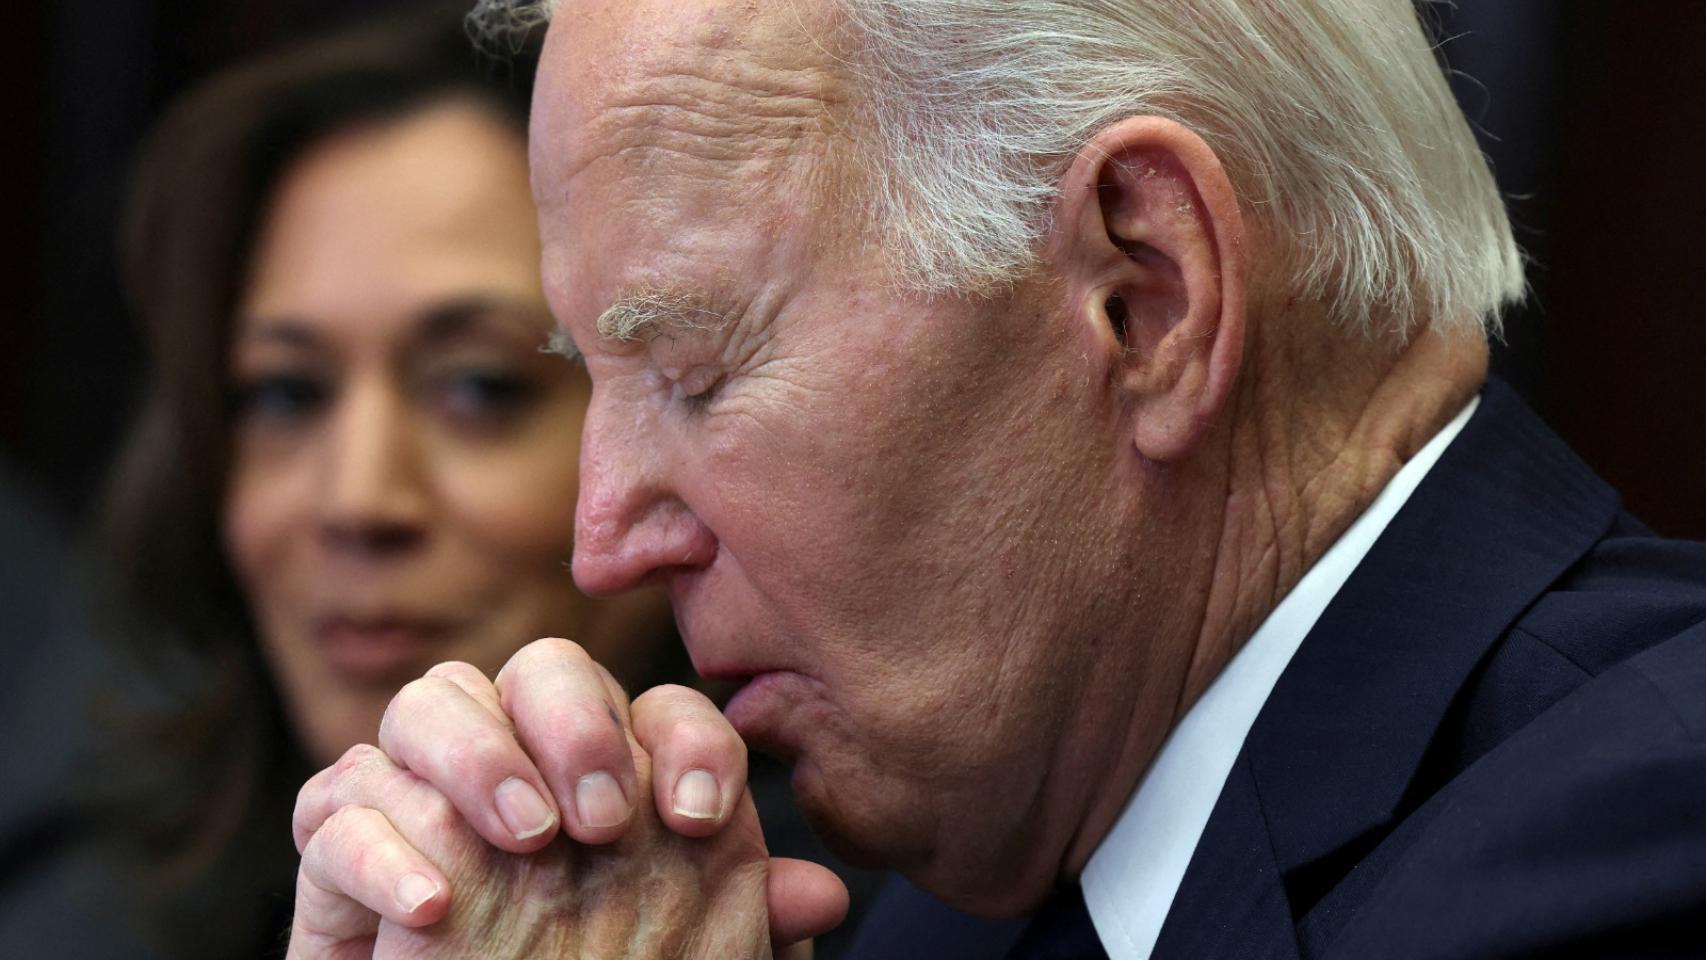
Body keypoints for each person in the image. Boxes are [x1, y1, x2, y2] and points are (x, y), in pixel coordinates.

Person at [284, 0, 1706, 957]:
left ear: (1144, 295)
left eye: (697, 373)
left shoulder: (1638, 845)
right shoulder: (936, 896)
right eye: (586, 378)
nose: (602, 542)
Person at [0, 7, 868, 958]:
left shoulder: (877, 904)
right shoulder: (84, 909)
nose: (359, 500)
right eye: (287, 393)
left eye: (479, 388)